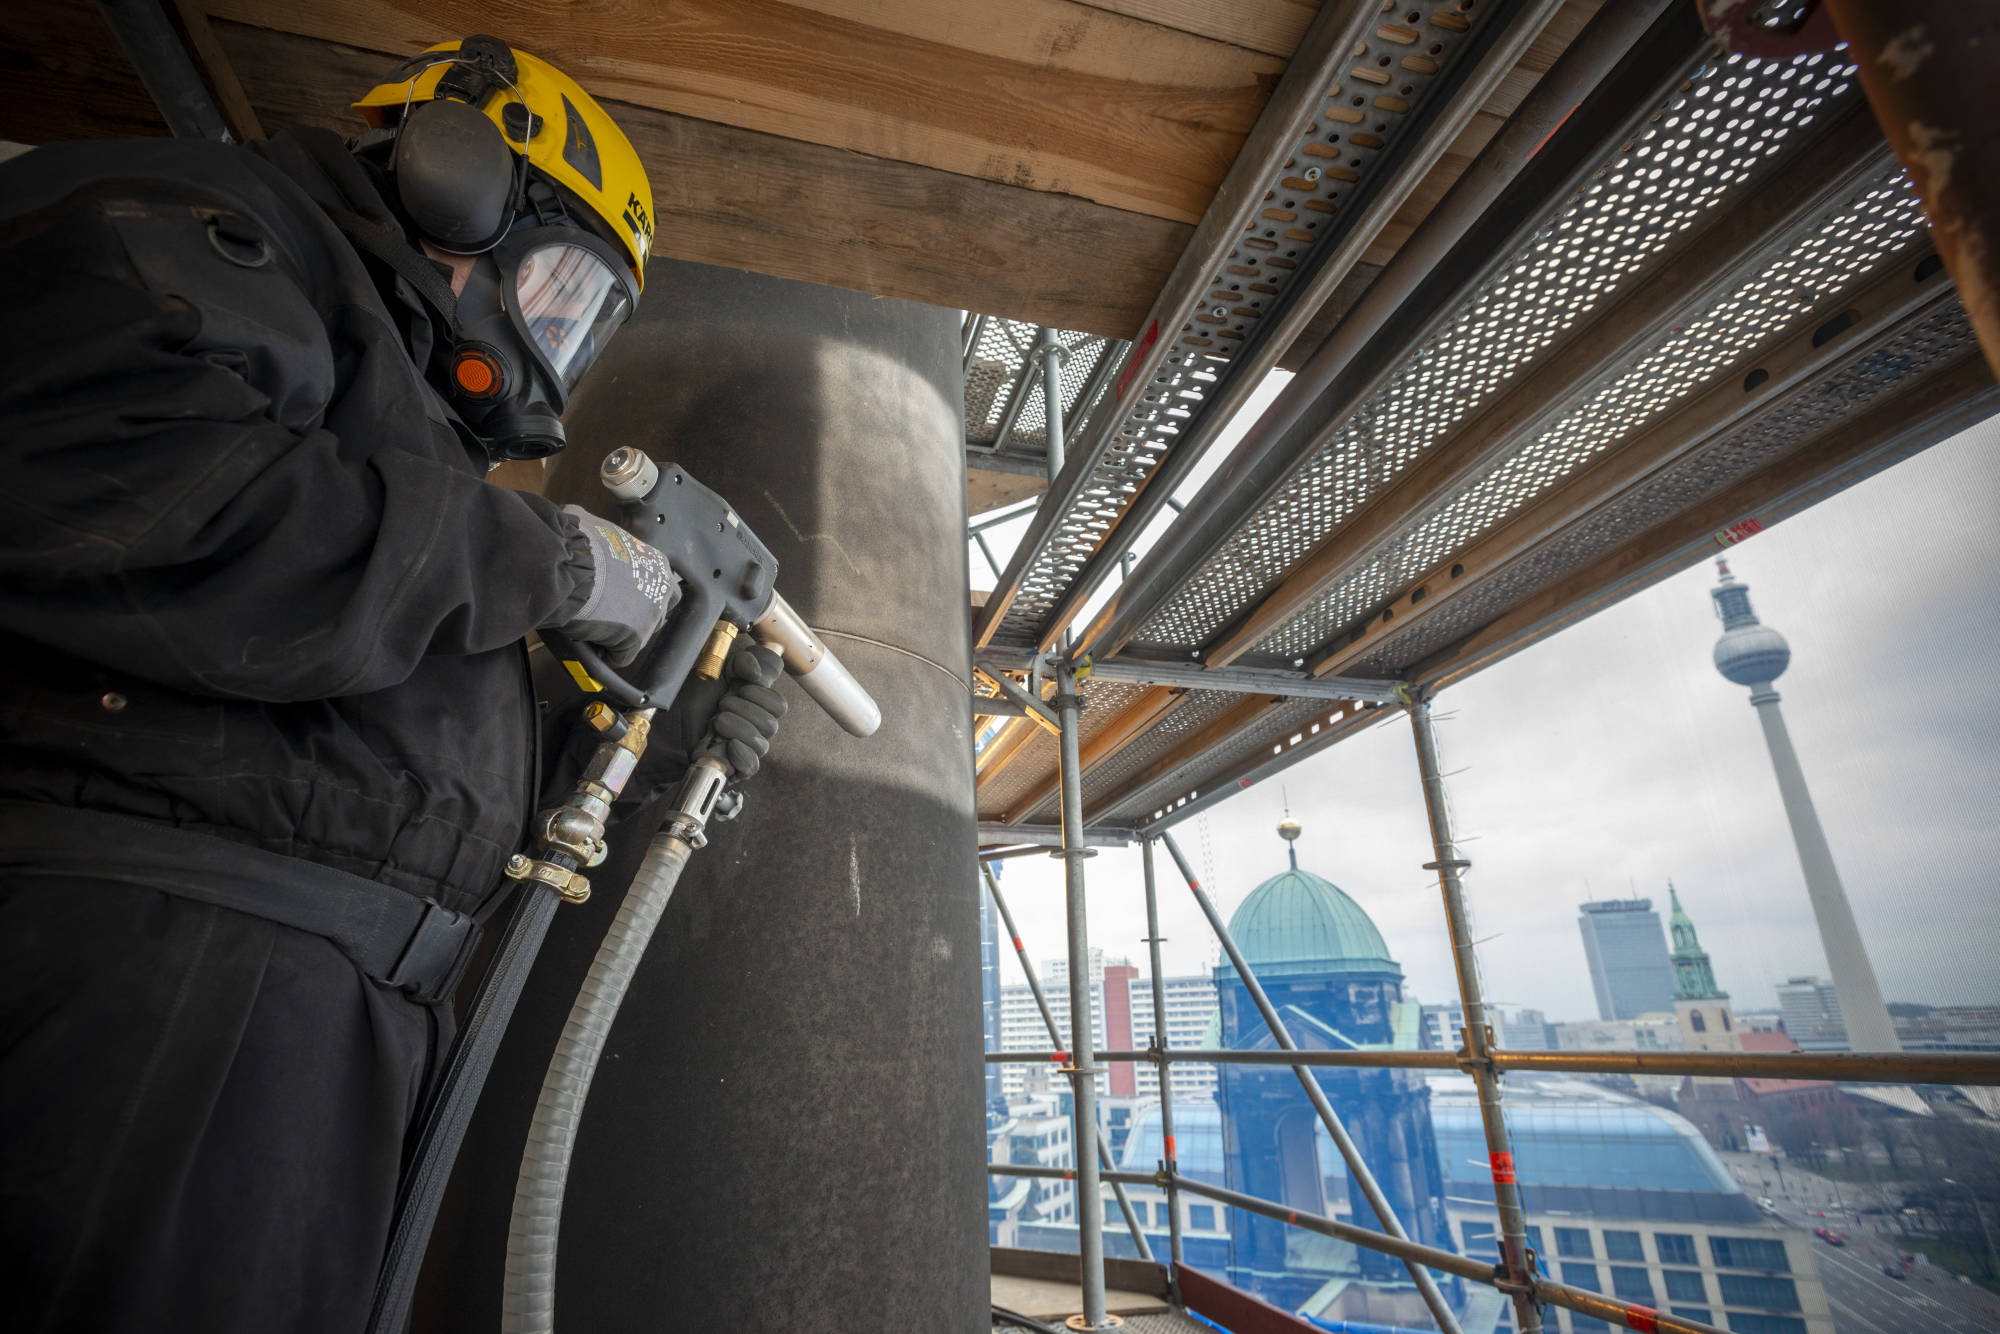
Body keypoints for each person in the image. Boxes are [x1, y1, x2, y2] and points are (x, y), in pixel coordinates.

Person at [0, 35, 781, 1333]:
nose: (558, 348)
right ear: (452, 179)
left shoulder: (395, 426)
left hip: (312, 1027)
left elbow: (367, 714)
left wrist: (663, 731)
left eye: (587, 327)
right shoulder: (206, 229)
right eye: (560, 290)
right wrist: (557, 559)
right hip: (156, 980)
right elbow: (160, 505)